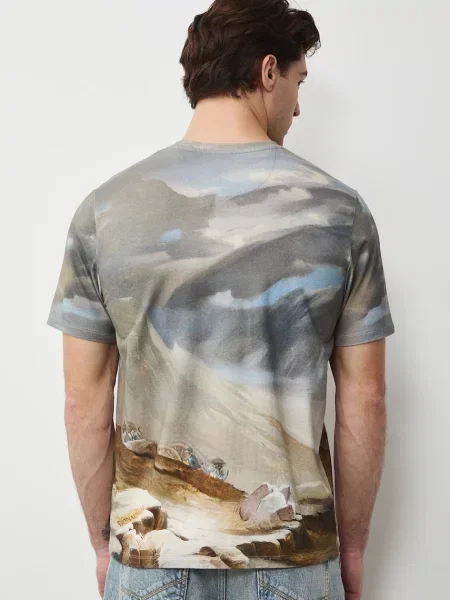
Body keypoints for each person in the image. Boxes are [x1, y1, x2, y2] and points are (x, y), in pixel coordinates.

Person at [46, 1, 395, 599]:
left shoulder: (103, 212)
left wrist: (106, 544)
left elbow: (84, 400)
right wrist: (354, 548)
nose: (298, 106)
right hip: (297, 563)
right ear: (268, 71)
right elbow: (365, 398)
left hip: (151, 562)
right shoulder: (341, 213)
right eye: (298, 81)